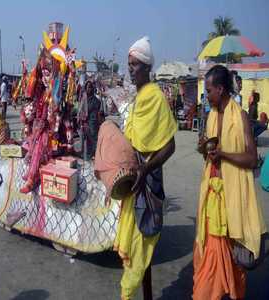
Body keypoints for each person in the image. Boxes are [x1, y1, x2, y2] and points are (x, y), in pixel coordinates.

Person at [193, 65, 267, 300]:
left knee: (232, 259)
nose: (206, 96)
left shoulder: (240, 116)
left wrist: (223, 154)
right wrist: (205, 149)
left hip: (232, 199)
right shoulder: (212, 115)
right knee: (212, 257)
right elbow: (210, 153)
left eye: (209, 91)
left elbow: (252, 158)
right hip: (212, 198)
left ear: (221, 89)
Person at [114, 36, 176, 300]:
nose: (131, 69)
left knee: (143, 241)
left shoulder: (155, 98)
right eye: (129, 64)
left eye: (136, 65)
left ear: (148, 67)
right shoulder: (139, 96)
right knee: (139, 243)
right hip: (134, 179)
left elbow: (170, 146)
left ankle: (136, 294)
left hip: (147, 182)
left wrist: (145, 168)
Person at [78, 80, 104, 160]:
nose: (88, 89)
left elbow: (98, 113)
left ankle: (97, 157)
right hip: (86, 123)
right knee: (87, 141)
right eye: (87, 87)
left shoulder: (96, 101)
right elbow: (81, 111)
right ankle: (88, 156)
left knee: (94, 141)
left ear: (92, 89)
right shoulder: (84, 99)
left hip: (93, 124)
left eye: (90, 87)